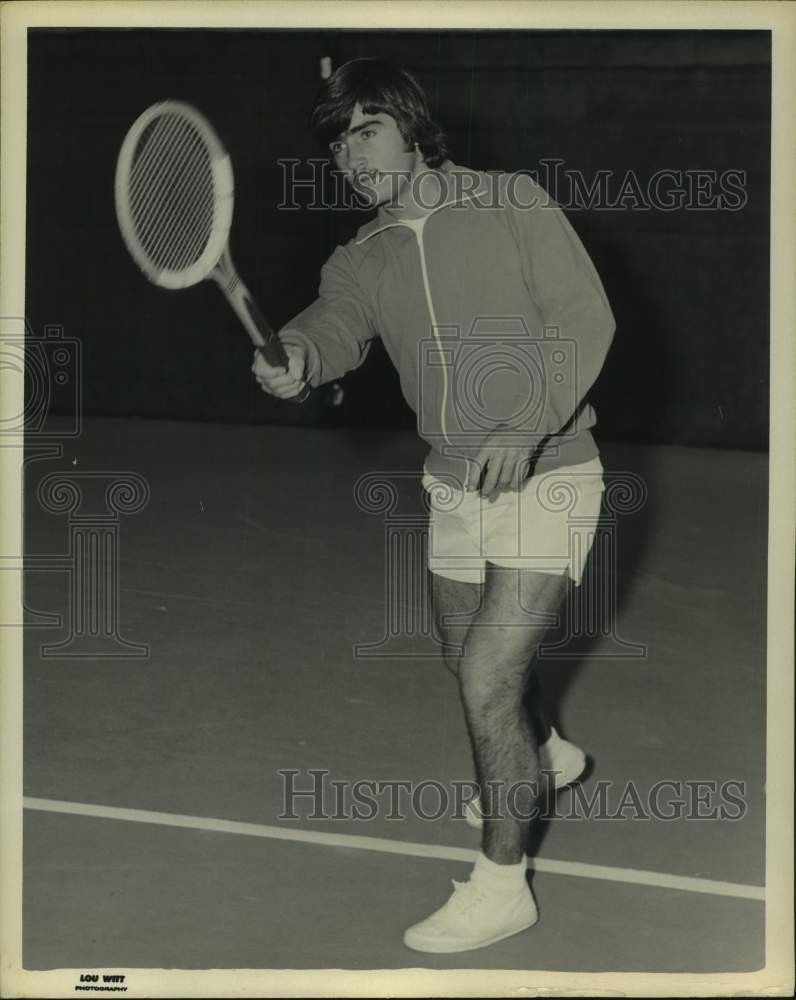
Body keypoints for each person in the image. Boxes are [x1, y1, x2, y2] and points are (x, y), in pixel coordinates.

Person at [254, 58, 614, 953]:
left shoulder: (512, 204)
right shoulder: (362, 255)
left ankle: (502, 887)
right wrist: (297, 354)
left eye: (366, 129)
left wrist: (526, 423)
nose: (350, 153)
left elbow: (585, 321)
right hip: (452, 484)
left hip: (552, 469)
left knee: (486, 677)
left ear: (413, 128)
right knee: (460, 653)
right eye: (338, 142)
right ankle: (546, 752)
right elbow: (335, 325)